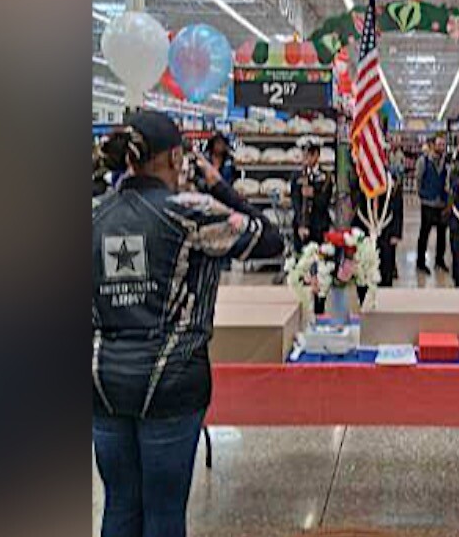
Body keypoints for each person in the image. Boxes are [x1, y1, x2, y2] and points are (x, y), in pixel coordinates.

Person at [92, 110, 284, 537]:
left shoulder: (95, 214)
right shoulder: (191, 211)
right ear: (176, 156)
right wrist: (218, 186)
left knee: (120, 506)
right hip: (171, 380)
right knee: (163, 512)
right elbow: (269, 238)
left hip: (103, 381)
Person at [351, 169, 403, 292]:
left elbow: (398, 208)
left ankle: (386, 297)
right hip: (365, 227)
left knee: (386, 267)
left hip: (386, 229)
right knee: (364, 268)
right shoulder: (360, 179)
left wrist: (396, 233)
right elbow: (355, 203)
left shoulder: (391, 181)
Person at [290, 136, 333, 278]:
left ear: (317, 155)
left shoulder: (325, 177)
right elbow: (295, 201)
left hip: (319, 226)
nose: (306, 158)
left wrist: (314, 194)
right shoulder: (297, 176)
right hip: (301, 226)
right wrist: (301, 224)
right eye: (304, 154)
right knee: (302, 264)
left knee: (319, 265)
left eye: (310, 154)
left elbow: (324, 202)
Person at [414, 134, 450, 274]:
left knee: (442, 235)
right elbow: (418, 179)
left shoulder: (446, 163)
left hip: (441, 203)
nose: (441, 147)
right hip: (428, 202)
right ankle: (420, 262)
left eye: (443, 145)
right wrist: (422, 194)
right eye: (439, 144)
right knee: (424, 233)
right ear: (433, 145)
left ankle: (439, 261)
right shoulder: (423, 161)